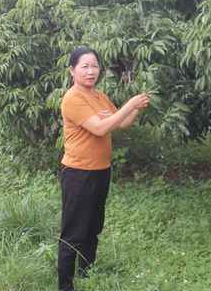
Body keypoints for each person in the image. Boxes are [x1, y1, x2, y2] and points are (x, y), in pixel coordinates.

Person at [57, 46, 150, 291]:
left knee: (92, 228)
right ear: (72, 70)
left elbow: (120, 123)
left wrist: (136, 108)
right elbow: (100, 128)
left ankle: (86, 276)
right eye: (85, 66)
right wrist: (130, 104)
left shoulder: (99, 96)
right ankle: (65, 286)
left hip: (101, 170)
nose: (91, 71)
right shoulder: (73, 98)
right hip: (79, 172)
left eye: (95, 66)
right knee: (73, 233)